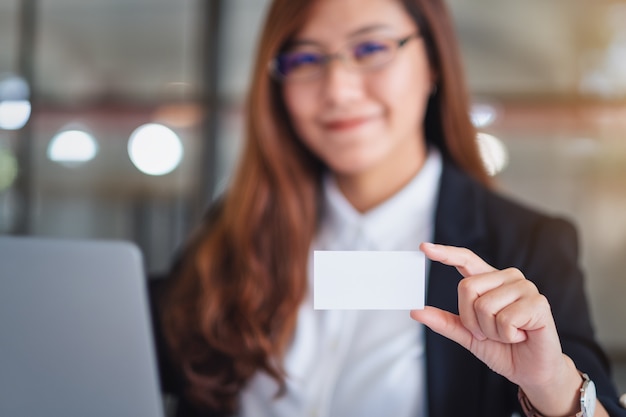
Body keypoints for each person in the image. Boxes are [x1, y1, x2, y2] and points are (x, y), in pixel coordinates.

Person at [151, 0, 626, 416]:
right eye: (306, 58)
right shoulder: (233, 230)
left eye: (371, 49)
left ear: (433, 64)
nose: (337, 89)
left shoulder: (525, 243)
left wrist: (549, 386)